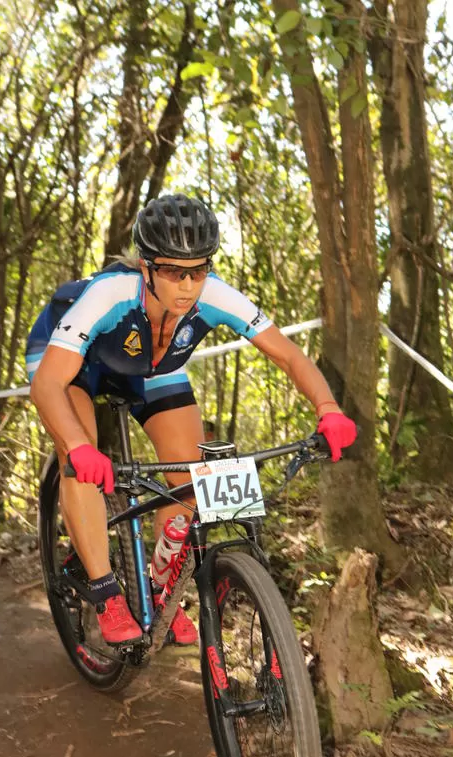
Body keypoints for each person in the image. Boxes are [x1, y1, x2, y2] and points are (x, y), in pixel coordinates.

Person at [27, 193, 356, 648]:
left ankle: (165, 589)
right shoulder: (110, 294)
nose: (186, 285)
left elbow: (289, 355)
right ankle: (104, 590)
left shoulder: (215, 295)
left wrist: (329, 410)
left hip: (152, 366)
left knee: (186, 476)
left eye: (198, 271)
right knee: (78, 452)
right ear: (146, 267)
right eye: (171, 271)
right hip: (70, 363)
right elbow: (47, 387)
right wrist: (81, 447)